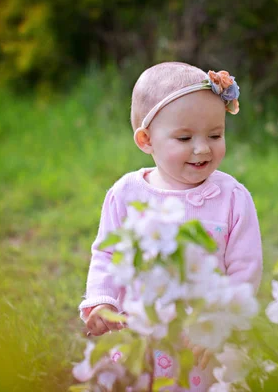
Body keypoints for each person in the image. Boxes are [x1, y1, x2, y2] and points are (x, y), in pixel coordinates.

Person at [78, 62, 263, 391]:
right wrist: (103, 300)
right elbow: (107, 253)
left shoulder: (232, 198)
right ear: (146, 139)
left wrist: (220, 325)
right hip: (139, 333)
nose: (202, 147)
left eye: (215, 135)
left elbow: (245, 269)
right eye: (184, 137)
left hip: (202, 344)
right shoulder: (127, 194)